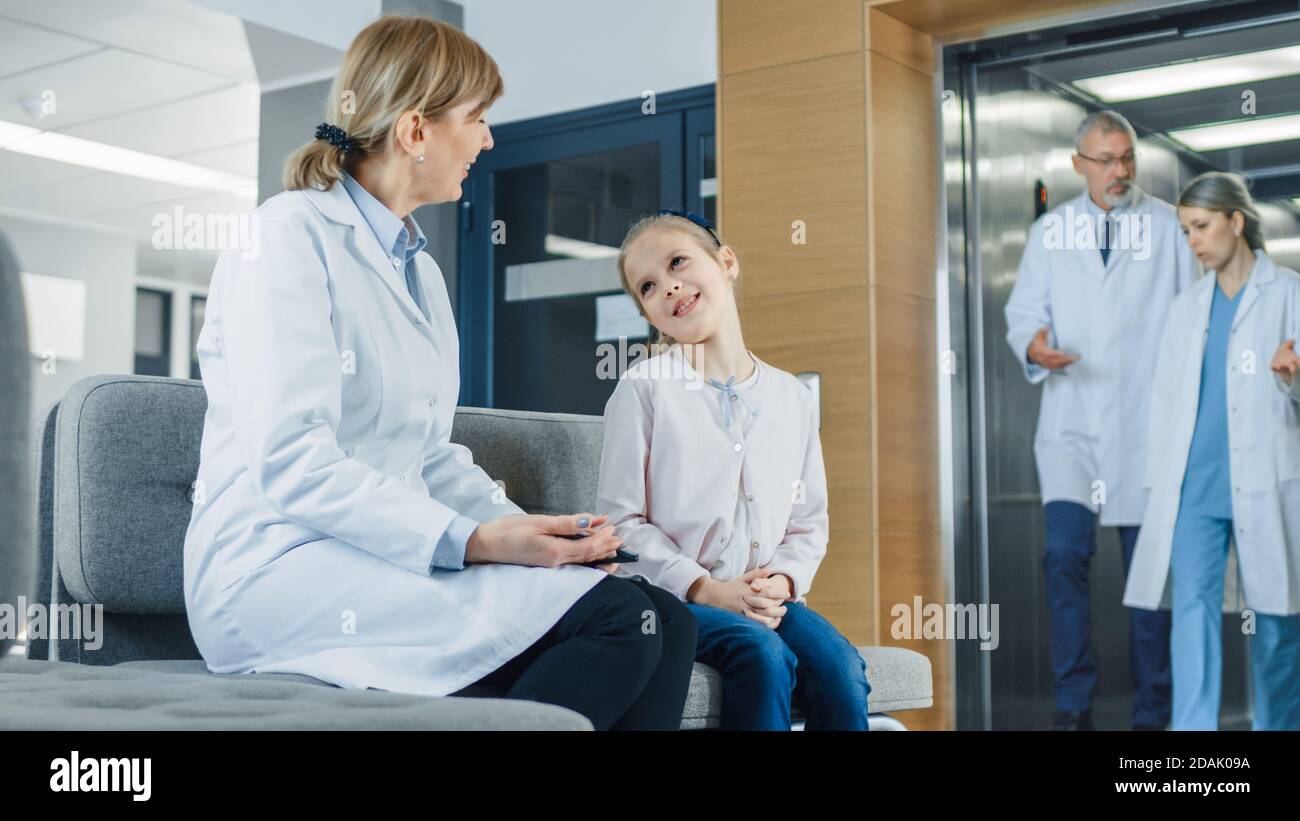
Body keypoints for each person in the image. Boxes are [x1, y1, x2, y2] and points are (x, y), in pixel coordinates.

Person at [182, 15, 697, 731]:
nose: (488, 139)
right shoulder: (285, 237)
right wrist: (476, 542)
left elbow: (429, 455)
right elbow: (293, 461)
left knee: (664, 616)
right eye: (478, 118)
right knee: (616, 620)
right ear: (416, 131)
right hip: (277, 568)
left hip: (377, 553)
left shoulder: (420, 270)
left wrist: (541, 541)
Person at [595, 209, 870, 731]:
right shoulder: (645, 387)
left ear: (725, 262)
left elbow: (808, 520)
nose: (670, 286)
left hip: (769, 599)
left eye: (679, 262)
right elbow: (622, 528)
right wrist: (709, 590)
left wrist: (783, 581)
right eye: (649, 286)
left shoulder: (791, 396)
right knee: (761, 655)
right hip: (677, 601)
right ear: (648, 314)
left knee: (840, 669)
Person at [1004, 110, 1198, 730]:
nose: (1119, 171)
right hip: (1072, 427)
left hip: (1148, 429)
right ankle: (1072, 705)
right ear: (1078, 165)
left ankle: (1153, 710)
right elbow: (1023, 311)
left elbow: (1197, 315)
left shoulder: (1169, 227)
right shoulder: (1051, 231)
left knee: (1150, 577)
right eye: (1105, 160)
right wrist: (1034, 347)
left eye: (1127, 159)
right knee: (1062, 558)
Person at [1124, 171, 1300, 730]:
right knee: (1192, 618)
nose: (1193, 241)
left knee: (1275, 620)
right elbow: (1163, 403)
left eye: (1201, 227)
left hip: (1266, 481)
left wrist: (1292, 378)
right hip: (1194, 489)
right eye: (1185, 231)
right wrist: (1157, 485)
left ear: (1236, 222)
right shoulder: (1186, 308)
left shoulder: (1290, 293)